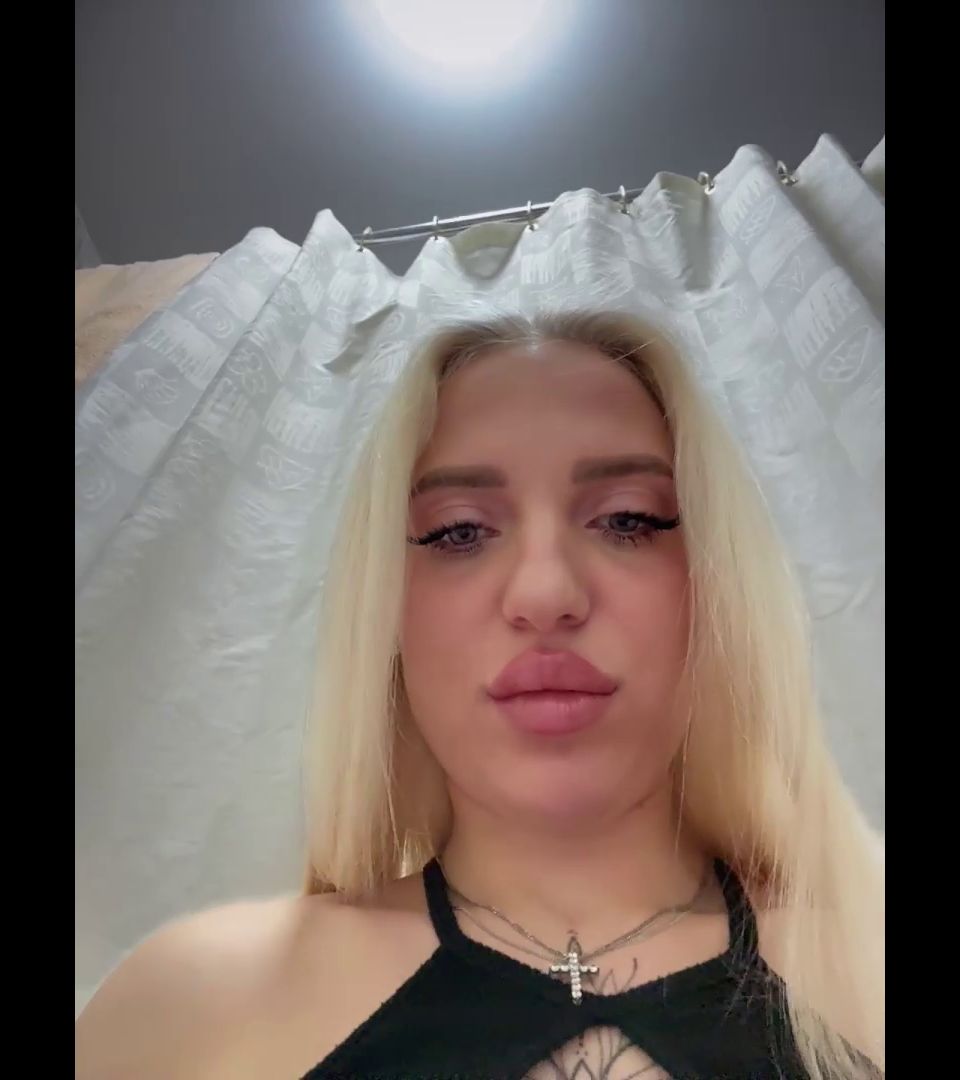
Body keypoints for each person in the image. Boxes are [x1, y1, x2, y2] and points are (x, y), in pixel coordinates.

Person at [76, 308, 884, 1079]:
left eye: (628, 519)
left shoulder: (868, 963)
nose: (545, 592)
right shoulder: (191, 1005)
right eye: (458, 530)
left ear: (717, 581)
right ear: (385, 611)